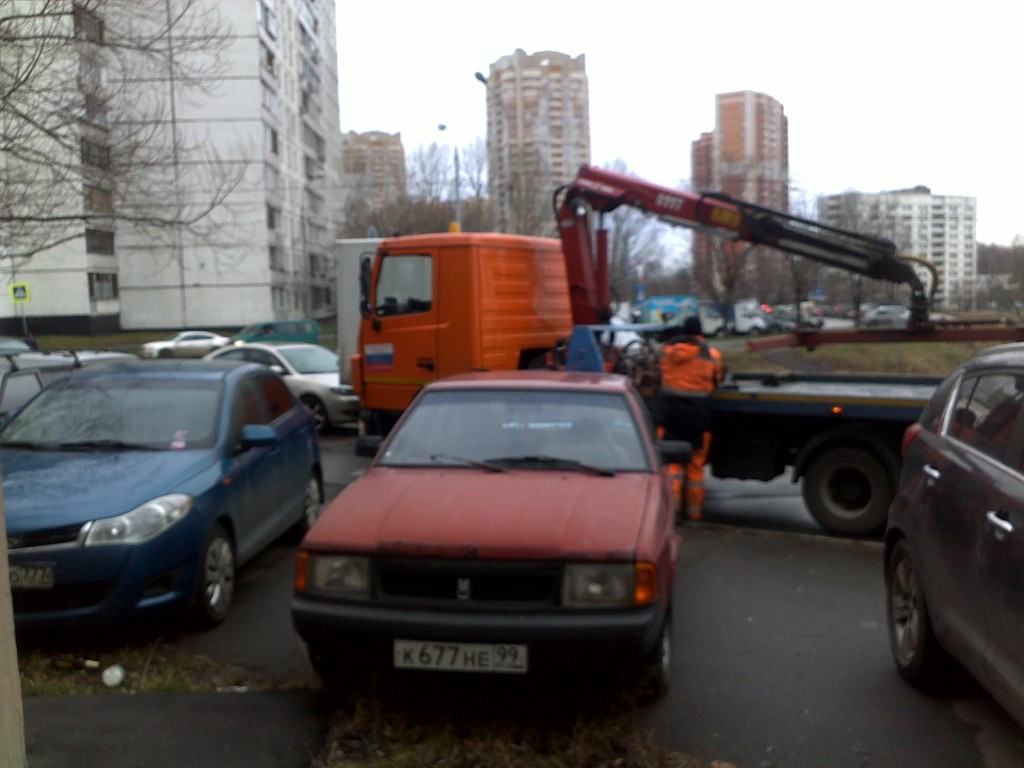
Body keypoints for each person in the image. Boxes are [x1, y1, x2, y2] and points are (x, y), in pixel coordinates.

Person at [655, 315, 724, 520]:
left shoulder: (667, 352)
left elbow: (659, 376)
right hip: (698, 418)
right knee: (695, 468)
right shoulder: (711, 355)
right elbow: (717, 379)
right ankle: (694, 513)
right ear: (700, 332)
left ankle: (672, 509)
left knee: (671, 465)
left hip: (670, 416)